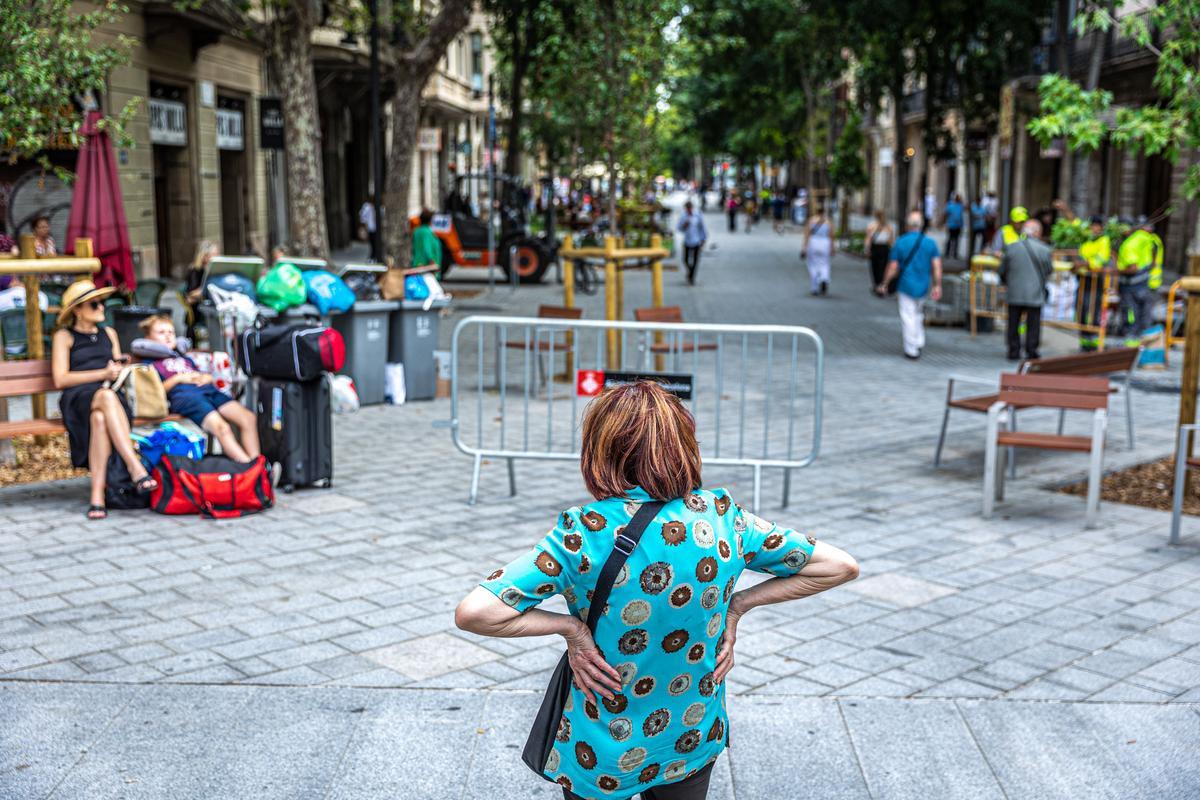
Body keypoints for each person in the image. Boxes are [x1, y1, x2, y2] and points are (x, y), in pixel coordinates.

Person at [454, 381, 859, 800]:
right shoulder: (726, 520)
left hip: (603, 744)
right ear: (684, 445)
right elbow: (839, 566)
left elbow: (475, 612)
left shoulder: (583, 534)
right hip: (690, 730)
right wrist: (738, 606)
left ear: (601, 451)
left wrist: (571, 631)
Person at [51, 280, 159, 520]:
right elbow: (60, 379)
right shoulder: (64, 336)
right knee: (106, 398)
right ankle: (135, 466)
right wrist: (102, 373)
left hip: (107, 394)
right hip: (78, 396)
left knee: (100, 418)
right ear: (77, 310)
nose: (101, 308)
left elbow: (114, 368)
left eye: (102, 303)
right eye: (94, 304)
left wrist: (119, 368)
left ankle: (97, 498)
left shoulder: (108, 333)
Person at [140, 315, 260, 462]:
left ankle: (258, 465)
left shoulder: (184, 357)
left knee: (248, 418)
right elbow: (154, 393)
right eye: (161, 332)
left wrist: (207, 378)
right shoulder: (149, 364)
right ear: (148, 337)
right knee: (223, 429)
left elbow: (201, 374)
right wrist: (178, 379)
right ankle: (251, 471)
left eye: (171, 332)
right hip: (185, 398)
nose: (168, 336)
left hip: (207, 391)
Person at [876, 211, 942, 360]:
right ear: (920, 225)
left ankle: (911, 348)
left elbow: (893, 266)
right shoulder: (930, 243)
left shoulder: (900, 242)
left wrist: (885, 283)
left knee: (908, 316)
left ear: (907, 225)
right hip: (923, 286)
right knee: (918, 314)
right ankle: (918, 341)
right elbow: (937, 266)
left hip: (906, 285)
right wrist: (938, 285)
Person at [999, 219, 1053, 361]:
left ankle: (1013, 351)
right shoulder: (1045, 249)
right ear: (1037, 232)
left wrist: (1008, 282)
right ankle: (1031, 350)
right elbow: (1049, 270)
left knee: (1013, 323)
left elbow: (1002, 270)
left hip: (1015, 292)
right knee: (1033, 325)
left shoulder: (1011, 248)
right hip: (1035, 293)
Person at [1116, 216, 1164, 347]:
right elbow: (1153, 260)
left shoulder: (1131, 243)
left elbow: (1132, 267)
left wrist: (1114, 270)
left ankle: (1133, 343)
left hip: (1134, 283)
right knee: (1144, 314)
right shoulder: (1152, 239)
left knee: (1132, 314)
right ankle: (1144, 344)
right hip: (1147, 282)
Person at [1075, 214, 1113, 351]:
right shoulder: (1086, 239)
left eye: (1097, 226)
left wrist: (1086, 263)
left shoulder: (1104, 240)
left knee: (1093, 311)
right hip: (1083, 279)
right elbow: (1080, 256)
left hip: (1096, 280)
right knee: (1082, 310)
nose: (1094, 229)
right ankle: (1084, 340)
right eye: (1093, 226)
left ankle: (1094, 341)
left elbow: (1101, 259)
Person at [802, 206, 834, 296]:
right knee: (824, 263)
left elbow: (807, 235)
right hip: (825, 243)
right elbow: (831, 236)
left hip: (813, 242)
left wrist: (804, 247)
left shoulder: (811, 221)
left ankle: (814, 287)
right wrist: (832, 248)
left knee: (812, 264)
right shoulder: (828, 222)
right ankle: (824, 278)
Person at [676, 201, 708, 286]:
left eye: (690, 208)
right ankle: (690, 271)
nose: (689, 210)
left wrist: (703, 239)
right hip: (687, 240)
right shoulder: (683, 216)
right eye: (687, 208)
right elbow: (679, 228)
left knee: (695, 260)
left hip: (697, 240)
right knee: (685, 259)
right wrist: (684, 226)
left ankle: (692, 277)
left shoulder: (697, 215)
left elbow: (702, 227)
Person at [863, 209, 894, 291]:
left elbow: (868, 239)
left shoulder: (872, 226)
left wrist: (867, 249)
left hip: (875, 248)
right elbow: (891, 241)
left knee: (874, 267)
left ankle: (877, 284)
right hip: (884, 248)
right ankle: (882, 284)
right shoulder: (889, 227)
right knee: (883, 267)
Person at [944, 193, 964, 260]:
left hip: (958, 226)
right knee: (950, 239)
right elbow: (945, 214)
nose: (959, 199)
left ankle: (955, 254)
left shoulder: (960, 206)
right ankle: (947, 253)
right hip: (951, 225)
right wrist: (944, 222)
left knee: (956, 240)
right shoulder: (950, 205)